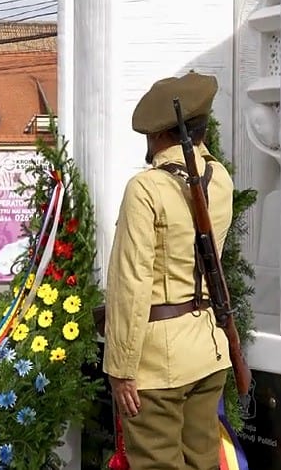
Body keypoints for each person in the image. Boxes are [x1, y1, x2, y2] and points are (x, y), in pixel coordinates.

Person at [103, 72, 234, 470]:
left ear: (158, 135)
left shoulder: (146, 188)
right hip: (208, 350)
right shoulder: (221, 180)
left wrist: (121, 368)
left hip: (158, 361)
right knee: (203, 463)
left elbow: (130, 284)